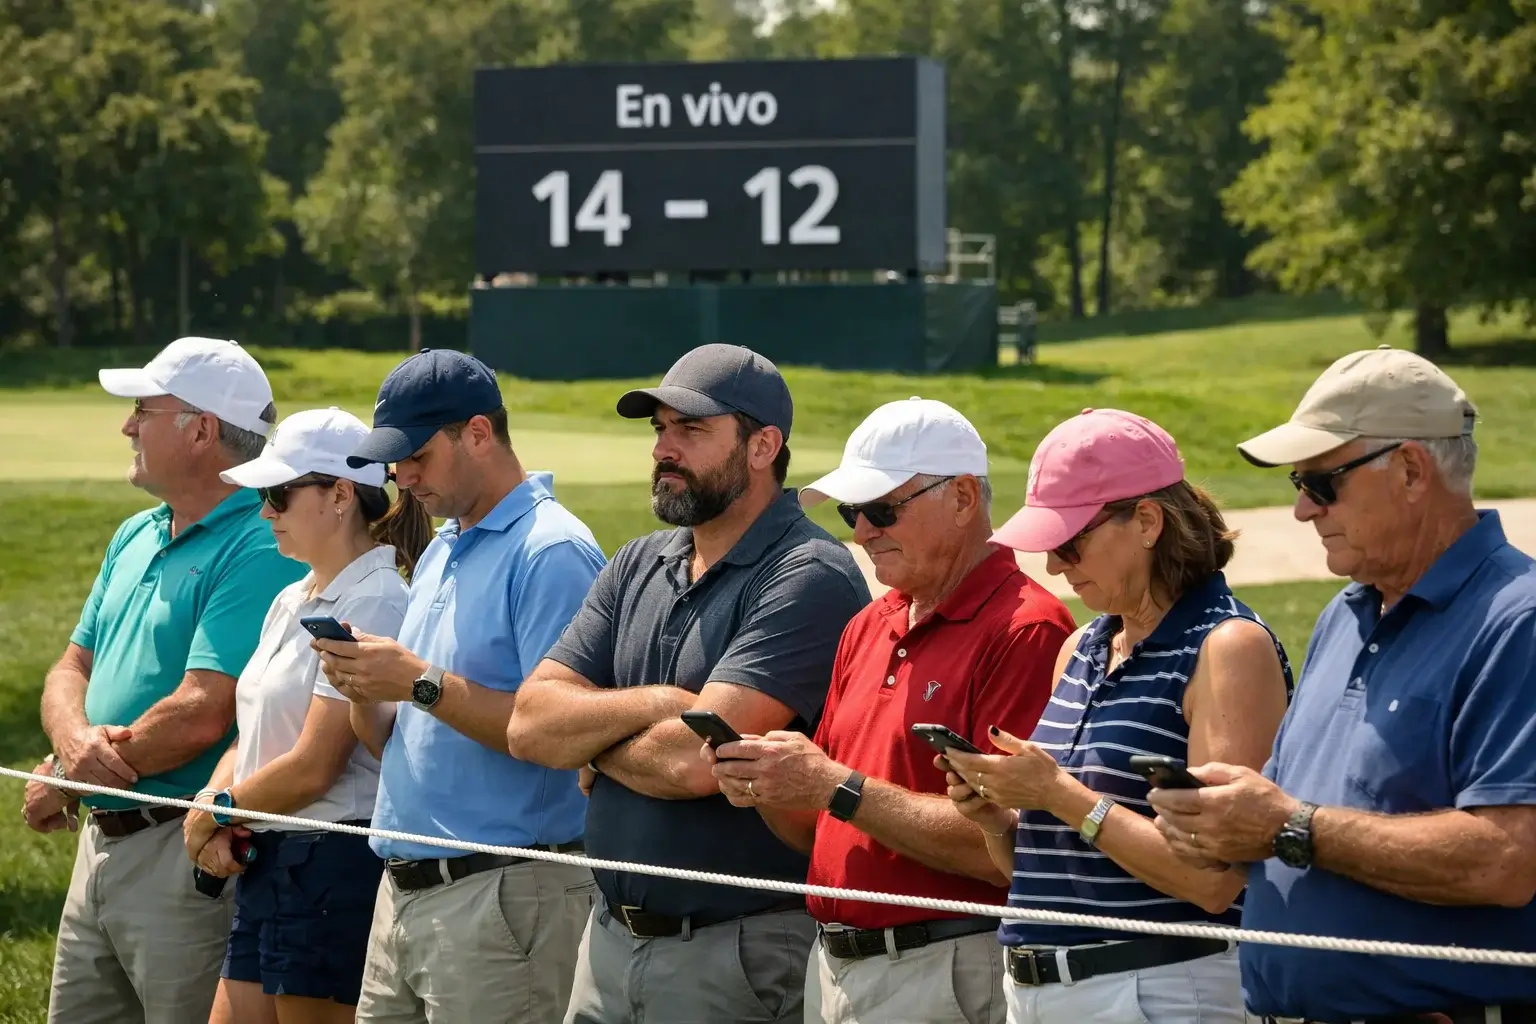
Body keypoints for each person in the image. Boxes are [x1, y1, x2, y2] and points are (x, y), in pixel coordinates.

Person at [1149, 347, 1536, 1020]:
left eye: (1322, 484)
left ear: (1412, 470)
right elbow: (1291, 822)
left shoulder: (1517, 618)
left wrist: (1288, 827)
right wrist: (1224, 830)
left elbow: (1505, 859)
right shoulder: (1345, 614)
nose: (1303, 510)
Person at [505, 343, 871, 1024]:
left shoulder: (808, 573)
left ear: (764, 446)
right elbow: (529, 724)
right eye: (660, 429)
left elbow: (695, 763)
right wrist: (664, 706)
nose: (664, 449)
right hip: (608, 941)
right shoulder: (637, 561)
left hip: (736, 951)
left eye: (692, 430)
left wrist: (590, 747)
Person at [707, 397, 1076, 1024]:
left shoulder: (1027, 629)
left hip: (948, 966)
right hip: (838, 969)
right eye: (855, 512)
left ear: (962, 499)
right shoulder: (868, 626)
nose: (860, 531)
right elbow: (819, 823)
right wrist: (769, 785)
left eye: (881, 511)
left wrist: (834, 786)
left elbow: (1009, 849)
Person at [940, 408, 1293, 1024]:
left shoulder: (1228, 646)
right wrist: (999, 819)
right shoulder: (1082, 647)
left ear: (1148, 521)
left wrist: (1060, 794)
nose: (1054, 565)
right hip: (1046, 992)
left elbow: (1215, 878)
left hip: (1159, 988)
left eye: (1069, 543)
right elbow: (1044, 868)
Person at [310, 349, 606, 1024]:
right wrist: (364, 687)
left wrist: (415, 680)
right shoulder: (444, 544)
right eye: (394, 460)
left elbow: (560, 735)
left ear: (477, 433)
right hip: (405, 891)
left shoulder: (552, 551)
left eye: (416, 454)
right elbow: (397, 740)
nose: (400, 476)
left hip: (504, 896)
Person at [21, 338, 306, 1024]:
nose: (127, 426)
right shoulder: (134, 534)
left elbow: (204, 711)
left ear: (202, 429)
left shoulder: (262, 540)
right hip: (100, 842)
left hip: (184, 851)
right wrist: (74, 756)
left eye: (144, 410)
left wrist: (70, 773)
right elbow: (71, 667)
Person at [180, 407, 433, 1023]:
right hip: (269, 855)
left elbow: (316, 766)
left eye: (278, 494)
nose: (265, 511)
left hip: (327, 866)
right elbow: (253, 735)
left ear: (341, 494)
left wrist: (214, 813)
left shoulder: (376, 597)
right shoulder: (291, 597)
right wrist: (212, 807)